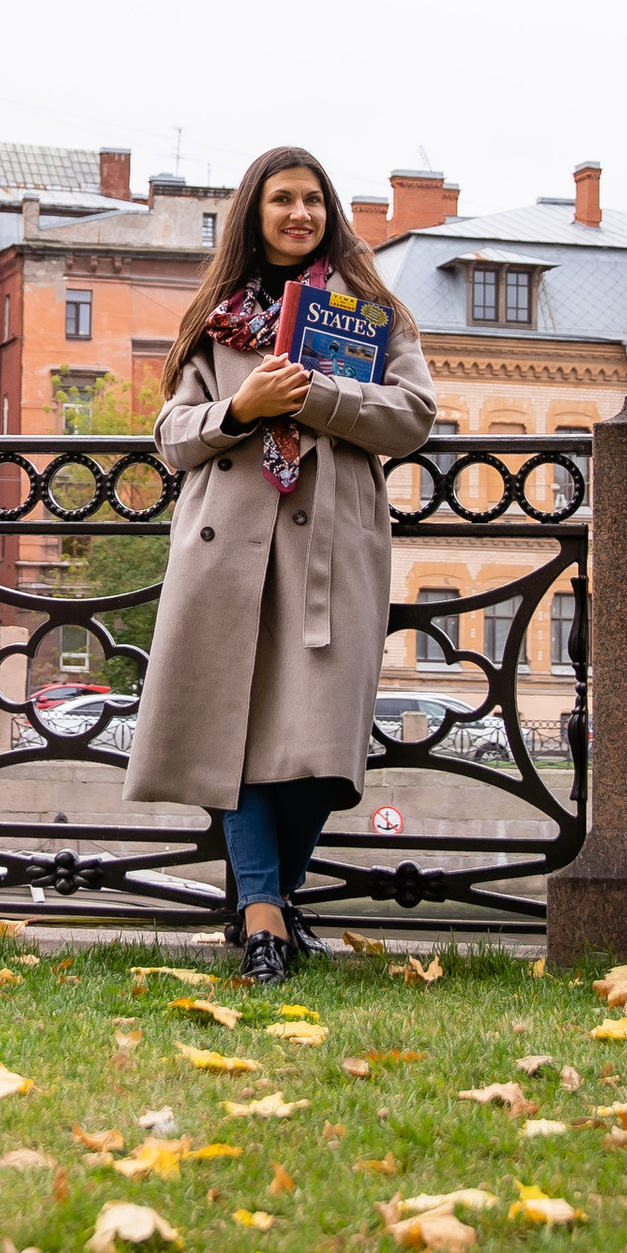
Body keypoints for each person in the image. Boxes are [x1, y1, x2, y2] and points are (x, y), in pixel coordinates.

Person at [122, 146, 435, 985]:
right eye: (281, 200)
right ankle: (263, 915)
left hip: (330, 552)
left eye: (312, 200)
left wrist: (317, 397)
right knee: (238, 736)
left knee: (318, 746)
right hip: (228, 554)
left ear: (330, 212)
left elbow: (412, 418)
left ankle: (274, 902)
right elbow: (173, 437)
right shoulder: (216, 318)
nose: (299, 214)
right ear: (254, 216)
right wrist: (242, 407)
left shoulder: (372, 313)